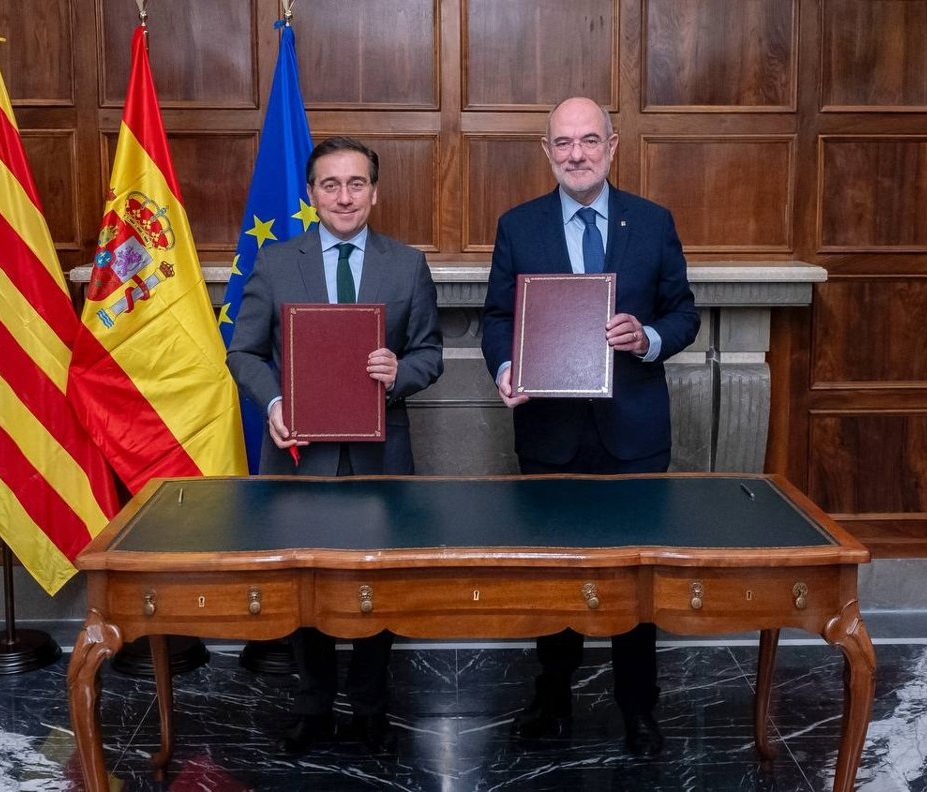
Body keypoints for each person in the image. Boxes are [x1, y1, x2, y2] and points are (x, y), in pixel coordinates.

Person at [480, 97, 700, 756]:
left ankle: (638, 708)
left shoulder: (653, 222)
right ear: (546, 151)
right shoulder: (518, 226)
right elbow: (496, 319)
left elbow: (683, 313)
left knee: (636, 576)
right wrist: (506, 367)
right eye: (564, 143)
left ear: (612, 145)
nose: (576, 154)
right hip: (549, 434)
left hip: (633, 435)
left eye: (589, 140)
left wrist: (647, 337)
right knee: (553, 574)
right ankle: (552, 696)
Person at [227, 136, 443, 756]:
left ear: (374, 193)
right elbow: (243, 351)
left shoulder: (407, 265)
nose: (344, 197)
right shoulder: (276, 262)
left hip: (381, 456)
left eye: (356, 184)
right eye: (331, 184)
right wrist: (275, 404)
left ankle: (372, 708)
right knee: (307, 584)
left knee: (378, 583)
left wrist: (398, 372)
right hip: (300, 454)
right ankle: (313, 705)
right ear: (312, 194)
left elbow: (430, 354)